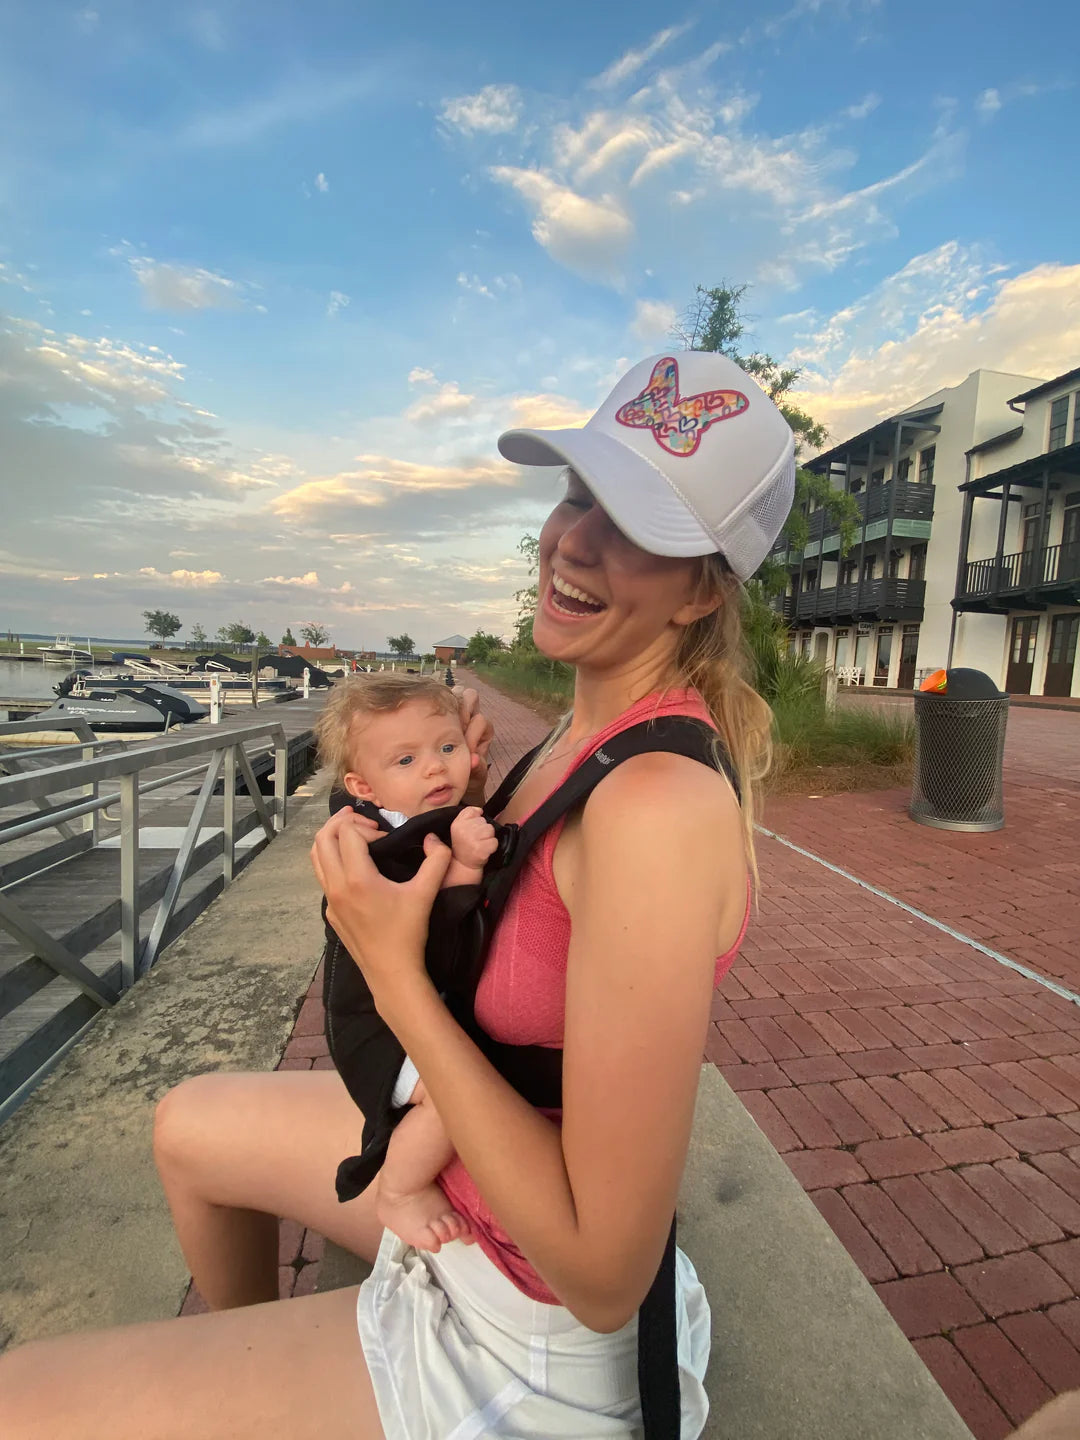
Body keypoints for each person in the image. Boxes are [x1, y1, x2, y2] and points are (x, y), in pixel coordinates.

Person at [0, 349, 800, 1438]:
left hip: (529, 1325)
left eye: (635, 525)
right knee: (187, 1125)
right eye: (578, 495)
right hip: (465, 1182)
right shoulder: (575, 736)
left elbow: (606, 1275)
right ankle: (248, 1364)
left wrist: (387, 965)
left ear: (703, 586)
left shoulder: (656, 805)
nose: (576, 540)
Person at [314, 672, 498, 1251]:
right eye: (406, 760)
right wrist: (465, 868)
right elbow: (431, 933)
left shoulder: (404, 817)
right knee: (457, 1096)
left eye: (447, 748)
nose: (435, 769)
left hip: (397, 1014)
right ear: (362, 785)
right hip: (379, 1029)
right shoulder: (387, 849)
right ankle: (398, 1188)